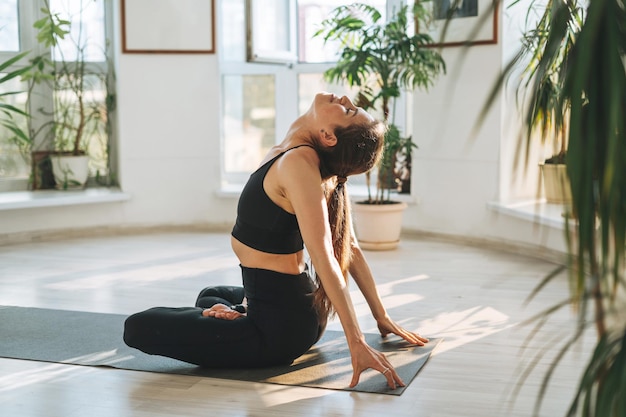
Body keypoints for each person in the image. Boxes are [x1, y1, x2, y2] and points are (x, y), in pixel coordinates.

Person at [123, 92, 428, 389]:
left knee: (137, 326)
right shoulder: (298, 157)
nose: (347, 100)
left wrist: (357, 342)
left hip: (276, 330)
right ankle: (233, 311)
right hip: (292, 309)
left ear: (328, 136)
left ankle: (235, 317)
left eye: (349, 112)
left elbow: (326, 257)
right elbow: (350, 246)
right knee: (211, 294)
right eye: (353, 107)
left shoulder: (299, 163)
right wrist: (381, 316)